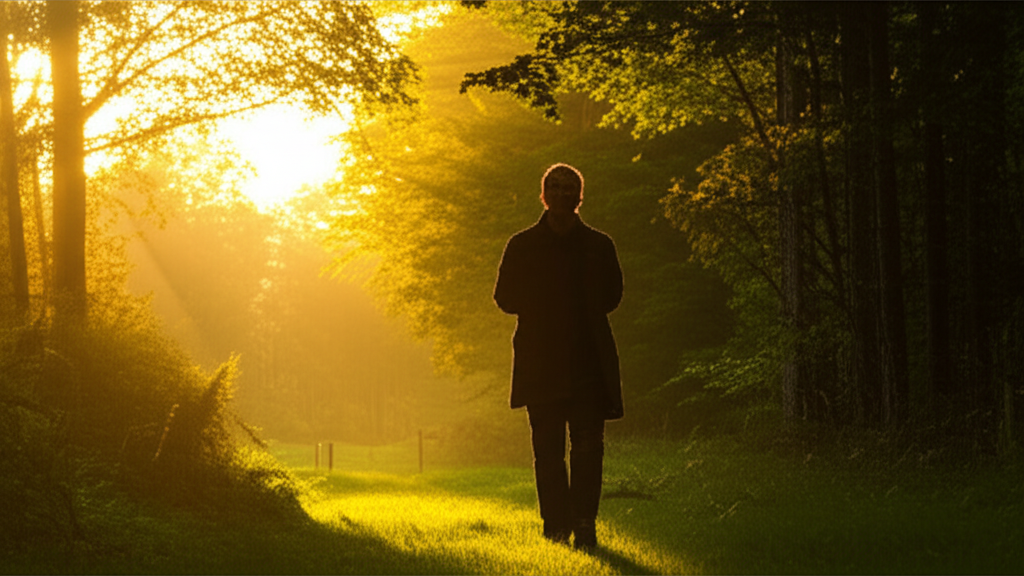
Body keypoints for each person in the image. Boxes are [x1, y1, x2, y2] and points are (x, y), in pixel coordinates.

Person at [493, 163, 623, 551]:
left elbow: (613, 296)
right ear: (544, 194)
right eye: (556, 186)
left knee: (588, 450)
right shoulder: (521, 246)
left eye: (570, 187)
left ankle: (584, 526)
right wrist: (543, 308)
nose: (563, 193)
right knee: (548, 454)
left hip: (589, 363)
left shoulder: (600, 246)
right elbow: (504, 298)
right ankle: (555, 527)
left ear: (579, 196)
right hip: (540, 364)